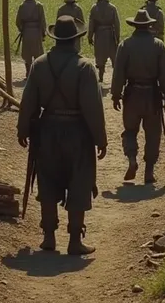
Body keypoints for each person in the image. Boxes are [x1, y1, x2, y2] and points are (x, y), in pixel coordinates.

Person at [17, 15, 108, 255]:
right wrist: (100, 139)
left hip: (47, 131)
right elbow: (93, 108)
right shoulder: (85, 67)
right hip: (77, 133)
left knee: (47, 182)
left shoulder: (39, 64)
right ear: (76, 39)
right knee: (79, 183)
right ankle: (75, 241)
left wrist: (23, 129)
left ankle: (49, 237)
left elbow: (28, 102)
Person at [112, 9, 165, 185]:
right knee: (153, 133)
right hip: (152, 95)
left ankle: (132, 158)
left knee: (130, 130)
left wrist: (116, 95)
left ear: (134, 26)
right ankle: (149, 171)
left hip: (132, 94)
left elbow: (118, 74)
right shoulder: (158, 45)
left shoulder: (125, 45)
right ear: (149, 25)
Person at [88, 0, 120, 84]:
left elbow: (91, 23)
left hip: (99, 35)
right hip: (110, 35)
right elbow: (117, 24)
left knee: (100, 56)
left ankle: (101, 77)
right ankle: (116, 78)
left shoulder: (94, 8)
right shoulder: (112, 8)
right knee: (114, 56)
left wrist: (90, 36)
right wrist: (117, 37)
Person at [16, 0, 47, 78]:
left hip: (26, 33)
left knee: (27, 55)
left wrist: (22, 29)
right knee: (38, 54)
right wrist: (43, 33)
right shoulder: (39, 5)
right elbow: (43, 21)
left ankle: (28, 73)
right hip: (37, 32)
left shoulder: (22, 6)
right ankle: (37, 73)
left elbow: (18, 21)